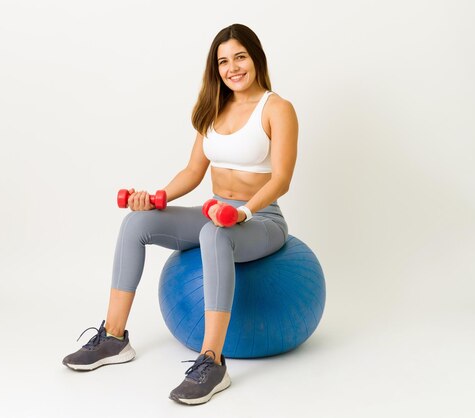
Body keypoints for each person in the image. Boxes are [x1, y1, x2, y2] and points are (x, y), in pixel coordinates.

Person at [62, 23, 298, 405]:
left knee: (214, 235)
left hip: (261, 218)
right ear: (215, 68)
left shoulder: (278, 108)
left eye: (240, 57)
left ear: (255, 58)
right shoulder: (214, 109)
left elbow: (282, 178)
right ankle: (114, 337)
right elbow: (192, 172)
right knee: (136, 223)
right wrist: (156, 197)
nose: (233, 67)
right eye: (223, 61)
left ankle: (212, 362)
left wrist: (244, 214)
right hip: (216, 210)